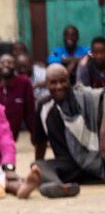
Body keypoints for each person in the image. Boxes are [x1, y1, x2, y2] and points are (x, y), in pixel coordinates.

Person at [27, 63, 104, 197]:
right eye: (53, 82)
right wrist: (37, 171)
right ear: (46, 83)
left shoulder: (82, 96)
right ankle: (61, 187)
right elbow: (40, 142)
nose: (59, 86)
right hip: (68, 166)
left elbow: (102, 95)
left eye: (63, 81)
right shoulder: (43, 106)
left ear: (69, 80)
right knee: (38, 166)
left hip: (94, 160)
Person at [0, 53, 35, 140]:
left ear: (15, 66)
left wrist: (34, 134)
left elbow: (30, 112)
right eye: (2, 62)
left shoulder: (23, 83)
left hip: (14, 136)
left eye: (9, 62)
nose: (6, 65)